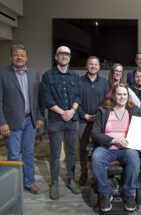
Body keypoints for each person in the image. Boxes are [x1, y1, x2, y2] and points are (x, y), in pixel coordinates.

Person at [0, 44, 44, 195]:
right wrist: (1, 122)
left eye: (22, 55)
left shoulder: (34, 74)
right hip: (11, 123)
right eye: (16, 55)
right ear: (11, 56)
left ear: (27, 57)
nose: (19, 57)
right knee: (13, 155)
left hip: (30, 121)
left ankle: (29, 182)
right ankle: (13, 187)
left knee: (29, 153)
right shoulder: (1, 74)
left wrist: (39, 116)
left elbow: (38, 98)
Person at [91, 83, 141, 212]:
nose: (122, 97)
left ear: (128, 96)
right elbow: (95, 133)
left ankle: (129, 194)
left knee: (134, 158)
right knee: (96, 158)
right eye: (119, 94)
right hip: (107, 147)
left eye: (125, 94)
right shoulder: (103, 110)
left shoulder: (134, 110)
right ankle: (105, 193)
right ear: (114, 95)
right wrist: (114, 140)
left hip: (127, 148)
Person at [41, 46, 82, 200]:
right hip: (55, 121)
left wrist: (72, 111)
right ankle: (54, 183)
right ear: (56, 56)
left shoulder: (75, 76)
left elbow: (79, 95)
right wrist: (62, 112)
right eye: (61, 54)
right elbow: (46, 99)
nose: (64, 56)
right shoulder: (48, 75)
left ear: (70, 57)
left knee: (72, 153)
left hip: (73, 120)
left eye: (67, 54)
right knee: (55, 154)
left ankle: (71, 180)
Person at [78, 56, 110, 186]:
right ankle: (84, 173)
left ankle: (99, 173)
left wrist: (98, 116)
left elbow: (107, 102)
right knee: (83, 148)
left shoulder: (104, 82)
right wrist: (83, 114)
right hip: (83, 120)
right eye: (90, 64)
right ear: (86, 66)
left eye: (96, 64)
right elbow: (75, 101)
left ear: (99, 67)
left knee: (99, 147)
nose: (93, 66)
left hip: (99, 120)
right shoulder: (79, 81)